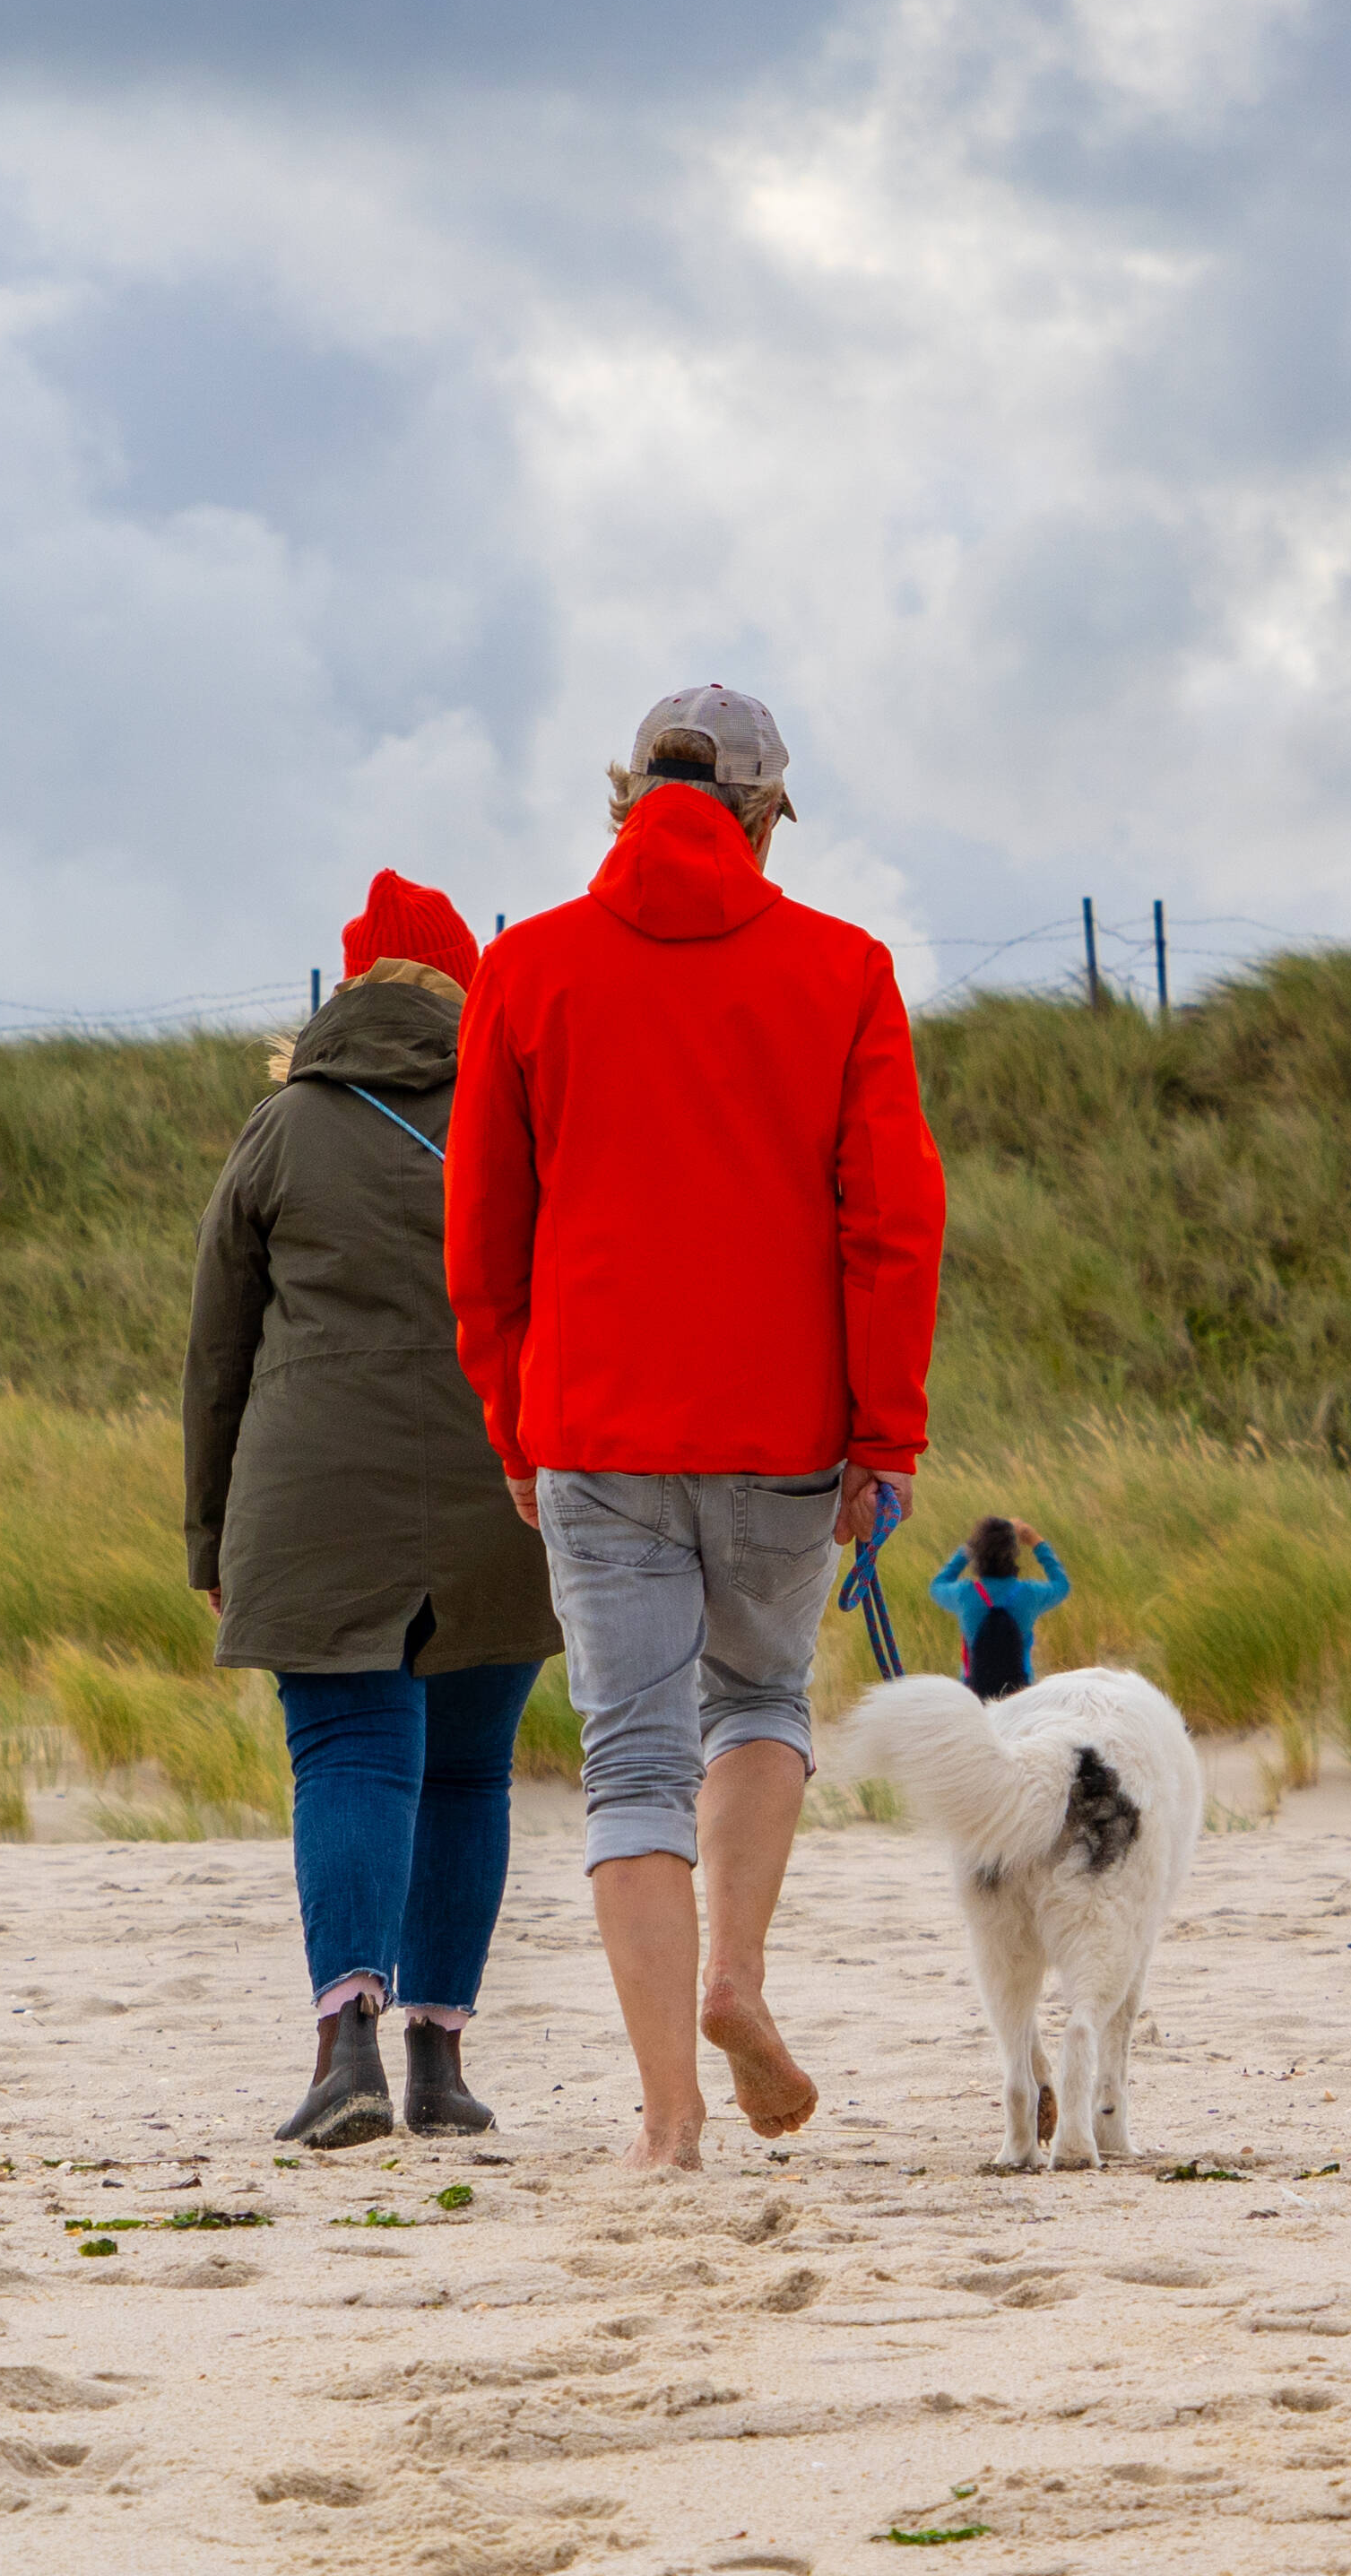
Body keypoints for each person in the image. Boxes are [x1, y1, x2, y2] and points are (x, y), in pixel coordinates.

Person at [448, 686, 946, 2171]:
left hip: (594, 1426)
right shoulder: (844, 970)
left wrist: (511, 1425)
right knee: (762, 1706)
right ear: (762, 813)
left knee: (630, 1765)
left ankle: (668, 2120)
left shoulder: (525, 971)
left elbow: (481, 1236)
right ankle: (738, 1972)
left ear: (627, 797)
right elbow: (892, 1224)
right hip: (785, 1427)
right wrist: (886, 1433)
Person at [185, 869, 563, 2150]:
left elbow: (218, 1352)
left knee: (349, 1754)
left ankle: (344, 2043)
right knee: (465, 1774)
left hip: (313, 1496)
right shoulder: (524, 1112)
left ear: (348, 988)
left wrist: (209, 1535)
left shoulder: (282, 1127)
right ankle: (441, 2067)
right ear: (474, 984)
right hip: (499, 1486)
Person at [928, 1515, 1070, 1701]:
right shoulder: (1029, 1594)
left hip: (972, 1693)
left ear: (977, 1553)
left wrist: (970, 1547)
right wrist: (1036, 1542)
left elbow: (937, 1585)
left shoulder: (965, 1594)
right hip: (1019, 1692)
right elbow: (1062, 1585)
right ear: (1014, 1553)